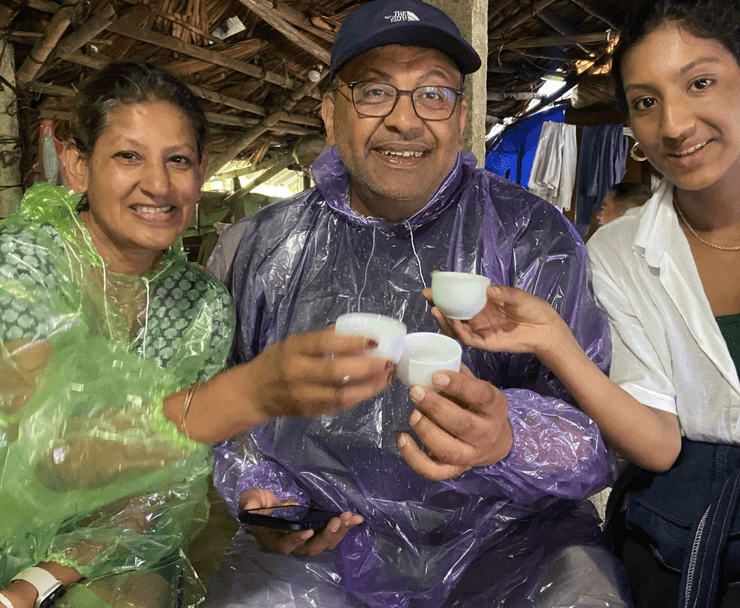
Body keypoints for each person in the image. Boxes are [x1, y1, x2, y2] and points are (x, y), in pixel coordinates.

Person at [427, 1, 740, 607]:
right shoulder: (619, 252)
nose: (673, 124)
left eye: (700, 83)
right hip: (684, 523)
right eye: (646, 102)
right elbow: (660, 444)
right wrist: (553, 342)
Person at [0, 62, 393, 608]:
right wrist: (248, 395)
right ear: (77, 165)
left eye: (178, 161)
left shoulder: (200, 305)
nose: (158, 184)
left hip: (101, 546)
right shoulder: (21, 261)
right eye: (127, 156)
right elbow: (50, 448)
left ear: (201, 170)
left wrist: (256, 503)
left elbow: (166, 483)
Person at [205, 1, 627, 606]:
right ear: (330, 114)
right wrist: (265, 492)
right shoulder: (261, 246)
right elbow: (229, 406)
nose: (406, 121)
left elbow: (596, 438)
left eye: (433, 94)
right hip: (324, 547)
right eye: (375, 92)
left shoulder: (533, 237)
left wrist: (508, 439)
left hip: (506, 546)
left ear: (459, 118)